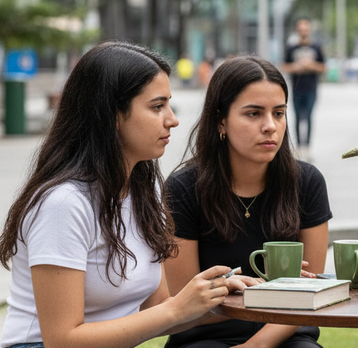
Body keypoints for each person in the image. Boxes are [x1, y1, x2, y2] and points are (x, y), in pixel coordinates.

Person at [0, 41, 241, 348]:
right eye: (157, 107)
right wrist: (176, 309)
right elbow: (62, 340)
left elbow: (155, 312)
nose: (172, 119)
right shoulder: (63, 204)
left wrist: (225, 297)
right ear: (112, 115)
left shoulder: (145, 188)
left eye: (169, 104)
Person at [164, 56, 332, 348]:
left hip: (285, 332)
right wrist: (269, 295)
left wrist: (256, 346)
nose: (270, 126)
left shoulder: (306, 182)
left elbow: (309, 295)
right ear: (221, 120)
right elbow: (182, 304)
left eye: (278, 113)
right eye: (254, 114)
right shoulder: (183, 188)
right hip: (203, 336)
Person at [283, 18, 326, 161]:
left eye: (306, 29)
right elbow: (284, 66)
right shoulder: (291, 48)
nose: (303, 32)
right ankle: (298, 147)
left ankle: (307, 147)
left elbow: (323, 67)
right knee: (296, 117)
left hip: (311, 88)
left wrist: (311, 65)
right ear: (297, 31)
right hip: (296, 89)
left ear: (309, 30)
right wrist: (295, 67)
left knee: (308, 117)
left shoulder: (316, 47)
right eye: (301, 30)